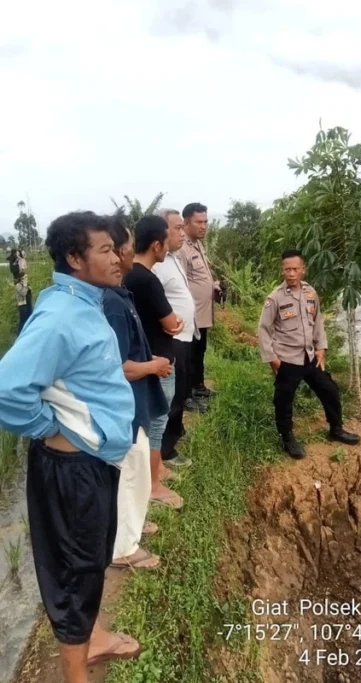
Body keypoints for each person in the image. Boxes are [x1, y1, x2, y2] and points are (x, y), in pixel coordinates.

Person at [0, 212, 140, 679]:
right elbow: (7, 388)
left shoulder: (87, 302)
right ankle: (76, 673)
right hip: (72, 469)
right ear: (76, 258)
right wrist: (48, 428)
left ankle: (95, 636)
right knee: (75, 573)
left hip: (93, 463)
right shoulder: (60, 315)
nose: (118, 256)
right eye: (105, 249)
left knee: (91, 559)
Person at [101, 216, 171, 571]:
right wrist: (152, 366)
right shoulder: (112, 304)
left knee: (136, 471)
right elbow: (118, 365)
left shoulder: (120, 294)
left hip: (134, 402)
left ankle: (132, 526)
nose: (126, 251)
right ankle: (122, 548)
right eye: (122, 245)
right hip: (125, 407)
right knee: (130, 473)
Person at [258, 250, 360, 458]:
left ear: (303, 269)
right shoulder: (275, 298)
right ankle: (287, 438)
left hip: (310, 356)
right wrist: (273, 359)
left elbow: (318, 321)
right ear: (282, 270)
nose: (292, 273)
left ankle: (336, 429)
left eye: (296, 269)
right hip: (287, 359)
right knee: (284, 399)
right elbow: (263, 329)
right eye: (288, 269)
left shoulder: (310, 293)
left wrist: (321, 347)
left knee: (329, 389)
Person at [123, 215, 185, 509]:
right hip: (157, 362)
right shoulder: (148, 280)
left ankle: (156, 470)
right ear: (157, 244)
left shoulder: (127, 275)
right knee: (157, 424)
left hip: (140, 360)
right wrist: (175, 323)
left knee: (149, 423)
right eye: (166, 241)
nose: (168, 247)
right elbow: (171, 323)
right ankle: (153, 487)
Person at [152, 208, 199, 467]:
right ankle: (166, 451)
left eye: (183, 227)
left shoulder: (173, 258)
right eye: (177, 228)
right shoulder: (157, 266)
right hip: (172, 340)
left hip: (185, 337)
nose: (182, 233)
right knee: (173, 395)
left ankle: (176, 431)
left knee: (182, 390)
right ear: (161, 232)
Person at [179, 202, 218, 406]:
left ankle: (198, 386)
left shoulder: (198, 244)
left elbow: (200, 275)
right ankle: (186, 394)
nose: (203, 226)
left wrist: (214, 284)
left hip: (204, 313)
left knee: (199, 350)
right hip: (191, 314)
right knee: (188, 354)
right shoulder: (182, 248)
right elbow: (181, 281)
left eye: (206, 221)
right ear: (186, 222)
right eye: (199, 222)